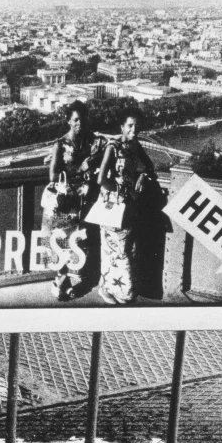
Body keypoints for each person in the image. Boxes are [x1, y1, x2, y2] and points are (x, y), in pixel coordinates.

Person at [96, 108, 160, 305]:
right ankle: (110, 289)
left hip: (128, 205)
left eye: (137, 126)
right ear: (122, 127)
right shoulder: (112, 147)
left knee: (123, 249)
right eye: (130, 126)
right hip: (112, 205)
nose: (134, 129)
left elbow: (149, 167)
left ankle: (115, 287)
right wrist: (118, 190)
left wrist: (141, 176)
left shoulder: (135, 145)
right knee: (113, 250)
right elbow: (101, 179)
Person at [45, 101, 106, 302]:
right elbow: (53, 176)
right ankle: (60, 281)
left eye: (83, 119)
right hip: (63, 204)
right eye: (76, 120)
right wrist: (82, 167)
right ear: (69, 121)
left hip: (81, 203)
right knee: (60, 242)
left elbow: (107, 149)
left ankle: (65, 283)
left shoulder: (92, 142)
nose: (80, 123)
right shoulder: (60, 144)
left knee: (76, 244)